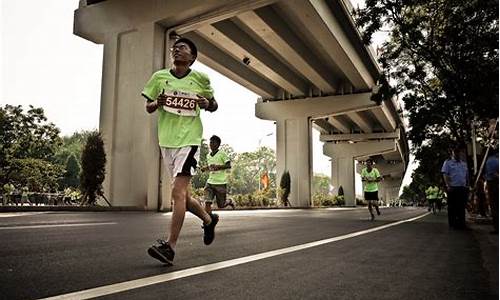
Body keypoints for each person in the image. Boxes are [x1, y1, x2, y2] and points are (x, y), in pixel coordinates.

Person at [142, 37, 219, 265]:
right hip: (166, 141)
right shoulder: (159, 78)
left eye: (182, 48)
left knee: (176, 193)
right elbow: (148, 107)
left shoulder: (201, 78)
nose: (176, 50)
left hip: (190, 140)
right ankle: (208, 220)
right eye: (174, 48)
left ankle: (170, 247)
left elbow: (214, 104)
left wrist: (207, 104)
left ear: (192, 57)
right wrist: (158, 102)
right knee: (183, 195)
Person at [201, 135, 235, 214]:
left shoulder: (222, 154)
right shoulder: (208, 156)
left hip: (221, 183)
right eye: (210, 142)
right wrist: (205, 168)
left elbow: (228, 165)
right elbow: (211, 167)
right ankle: (208, 221)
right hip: (210, 182)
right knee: (207, 202)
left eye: (213, 142)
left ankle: (229, 201)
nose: (211, 144)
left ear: (218, 144)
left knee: (221, 205)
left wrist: (218, 167)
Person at [441, 145, 469, 229]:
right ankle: (453, 224)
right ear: (452, 153)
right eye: (455, 152)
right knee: (452, 207)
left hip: (462, 187)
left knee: (461, 206)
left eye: (458, 152)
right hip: (453, 187)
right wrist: (448, 185)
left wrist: (467, 184)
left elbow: (466, 175)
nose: (457, 154)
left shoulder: (464, 164)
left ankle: (462, 224)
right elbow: (445, 175)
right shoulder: (448, 163)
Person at [484, 148, 498, 234]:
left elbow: (493, 174)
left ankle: (497, 228)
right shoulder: (497, 160)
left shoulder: (490, 161)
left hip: (493, 184)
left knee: (495, 207)